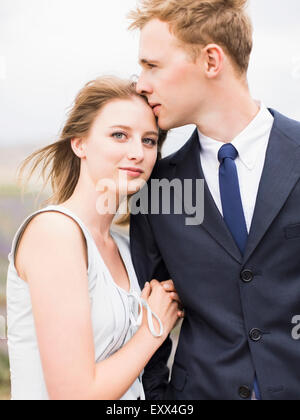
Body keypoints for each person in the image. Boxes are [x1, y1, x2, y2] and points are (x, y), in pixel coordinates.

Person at [128, 0, 300, 400]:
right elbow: (146, 315)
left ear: (210, 60)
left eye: (152, 66)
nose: (140, 83)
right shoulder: (156, 188)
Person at [6, 76, 184, 400]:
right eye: (119, 135)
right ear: (80, 143)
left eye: (149, 140)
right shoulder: (55, 233)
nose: (137, 153)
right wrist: (153, 327)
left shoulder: (127, 249)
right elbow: (74, 394)